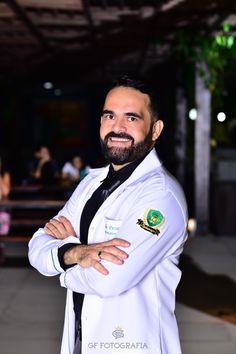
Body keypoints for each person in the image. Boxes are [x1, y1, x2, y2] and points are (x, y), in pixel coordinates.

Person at [28, 75, 188, 354]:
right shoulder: (91, 182)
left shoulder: (161, 197)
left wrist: (62, 263)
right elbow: (36, 246)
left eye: (132, 118)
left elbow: (109, 279)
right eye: (110, 116)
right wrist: (78, 254)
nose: (118, 127)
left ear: (155, 129)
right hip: (83, 342)